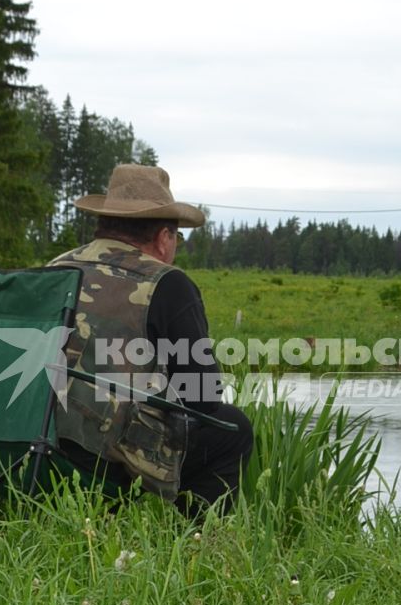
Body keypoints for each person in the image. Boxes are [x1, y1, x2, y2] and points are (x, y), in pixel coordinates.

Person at [47, 165, 253, 513]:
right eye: (177, 237)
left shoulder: (54, 268)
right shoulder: (167, 283)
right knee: (233, 429)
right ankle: (196, 545)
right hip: (98, 453)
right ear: (163, 237)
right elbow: (202, 397)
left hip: (30, 435)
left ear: (105, 223)